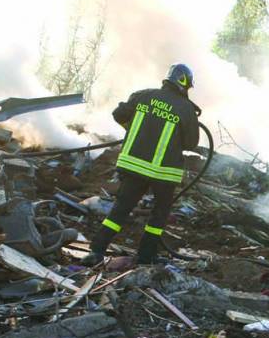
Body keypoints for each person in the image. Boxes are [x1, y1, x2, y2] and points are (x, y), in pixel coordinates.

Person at [82, 64, 201, 267]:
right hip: (164, 173)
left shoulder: (143, 96)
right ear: (184, 83)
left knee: (120, 209)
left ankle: (96, 251)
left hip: (134, 166)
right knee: (159, 215)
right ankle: (146, 257)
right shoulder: (186, 109)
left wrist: (137, 128)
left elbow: (118, 114)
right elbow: (191, 143)